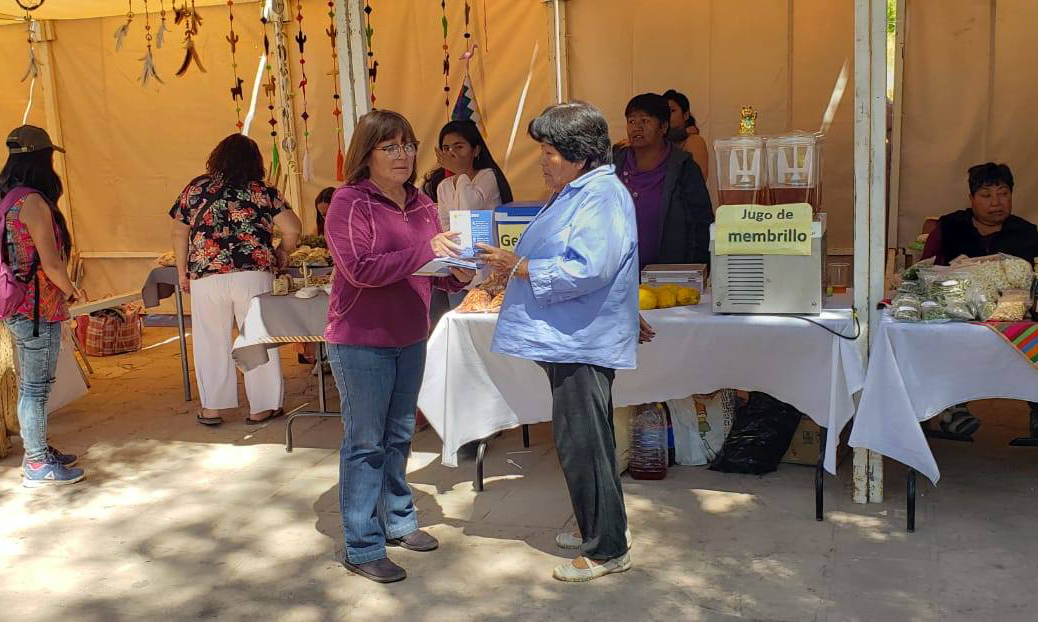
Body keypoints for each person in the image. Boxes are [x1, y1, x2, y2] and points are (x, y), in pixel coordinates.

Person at [477, 102, 654, 582]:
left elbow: (588, 267)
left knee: (586, 442)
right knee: (580, 439)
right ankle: (600, 527)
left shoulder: (601, 195)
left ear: (578, 153)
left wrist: (518, 266)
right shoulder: (579, 190)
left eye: (550, 151)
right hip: (571, 335)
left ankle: (607, 548)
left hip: (580, 338)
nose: (543, 160)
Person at [324, 109, 475, 583]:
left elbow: (431, 267)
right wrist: (428, 251)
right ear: (365, 154)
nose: (403, 156)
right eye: (390, 147)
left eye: (408, 145)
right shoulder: (350, 202)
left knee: (399, 436)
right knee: (365, 443)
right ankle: (362, 544)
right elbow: (361, 269)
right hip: (361, 340)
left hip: (411, 335)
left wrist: (460, 273)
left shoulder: (422, 203)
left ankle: (399, 519)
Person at [170, 134, 302, 426]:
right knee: (257, 337)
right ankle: (262, 407)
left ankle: (213, 408)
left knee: (209, 339)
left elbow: (179, 232)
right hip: (253, 273)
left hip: (207, 274)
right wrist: (281, 252)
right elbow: (292, 229)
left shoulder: (196, 188)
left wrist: (182, 271)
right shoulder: (263, 190)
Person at [921, 162, 1038, 440]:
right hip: (956, 320)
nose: (996, 203)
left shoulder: (1027, 233)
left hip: (1013, 323)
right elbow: (925, 271)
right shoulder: (949, 227)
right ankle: (950, 407)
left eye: (1003, 193)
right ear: (971, 198)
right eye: (986, 195)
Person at [1, 125, 86, 487]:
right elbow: (50, 264)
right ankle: (36, 462)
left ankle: (39, 450)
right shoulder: (33, 202)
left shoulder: (7, 197)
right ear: (42, 159)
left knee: (32, 385)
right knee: (36, 388)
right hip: (37, 307)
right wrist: (74, 291)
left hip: (18, 305)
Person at [423, 120, 514, 313]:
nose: (451, 153)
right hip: (459, 269)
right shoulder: (444, 186)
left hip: (488, 271)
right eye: (446, 148)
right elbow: (447, 226)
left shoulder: (487, 176)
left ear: (476, 150)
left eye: (459, 146)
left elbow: (468, 212)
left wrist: (461, 173)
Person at [615, 93, 714, 268]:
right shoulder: (613, 164)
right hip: (617, 279)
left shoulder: (684, 168)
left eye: (645, 121)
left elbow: (701, 226)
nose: (636, 127)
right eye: (631, 121)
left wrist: (696, 272)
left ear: (663, 127)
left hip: (669, 281)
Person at [296, 186, 336, 366]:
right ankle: (317, 356)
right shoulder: (319, 230)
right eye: (322, 214)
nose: (326, 218)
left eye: (328, 212)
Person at [663, 89, 710, 182]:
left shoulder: (694, 141)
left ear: (686, 115)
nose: (667, 115)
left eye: (672, 110)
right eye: (664, 111)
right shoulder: (659, 141)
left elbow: (697, 181)